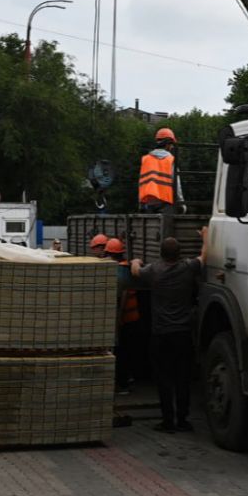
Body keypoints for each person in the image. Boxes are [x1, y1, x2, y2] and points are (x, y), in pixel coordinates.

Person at [131, 227, 208, 433]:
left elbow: (135, 272)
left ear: (161, 253)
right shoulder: (188, 268)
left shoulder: (154, 270)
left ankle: (168, 421)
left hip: (161, 334)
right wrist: (205, 236)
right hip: (183, 334)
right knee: (183, 378)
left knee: (164, 379)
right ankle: (182, 420)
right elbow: (204, 256)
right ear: (179, 253)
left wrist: (135, 261)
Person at [106, 238, 140, 393]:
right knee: (127, 351)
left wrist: (118, 318)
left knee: (122, 352)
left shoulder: (120, 271)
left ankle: (124, 383)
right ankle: (127, 379)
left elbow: (123, 295)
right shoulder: (125, 267)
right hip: (131, 318)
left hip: (125, 320)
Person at [138, 127, 184, 213]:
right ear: (168, 144)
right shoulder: (170, 160)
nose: (172, 147)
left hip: (148, 204)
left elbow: (141, 183)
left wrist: (141, 204)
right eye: (172, 145)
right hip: (165, 203)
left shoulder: (146, 159)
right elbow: (177, 185)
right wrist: (181, 204)